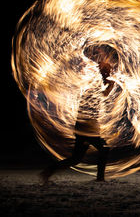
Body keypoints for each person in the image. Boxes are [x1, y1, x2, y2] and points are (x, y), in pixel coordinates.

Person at [40, 45, 118, 184]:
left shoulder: (97, 82)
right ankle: (100, 178)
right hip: (86, 125)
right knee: (104, 148)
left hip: (87, 125)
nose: (110, 72)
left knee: (76, 158)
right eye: (108, 70)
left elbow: (102, 95)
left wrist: (110, 86)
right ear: (102, 71)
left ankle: (48, 171)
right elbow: (91, 100)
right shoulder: (93, 82)